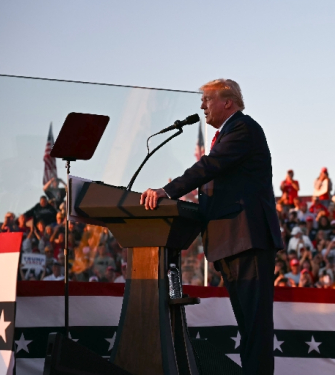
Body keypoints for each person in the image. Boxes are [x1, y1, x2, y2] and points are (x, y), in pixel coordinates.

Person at [140, 78, 283, 375]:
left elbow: (209, 167)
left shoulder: (243, 129)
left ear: (227, 102)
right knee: (248, 328)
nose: (202, 106)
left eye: (207, 99)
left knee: (255, 330)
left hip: (248, 241)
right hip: (232, 243)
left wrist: (169, 192)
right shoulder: (229, 133)